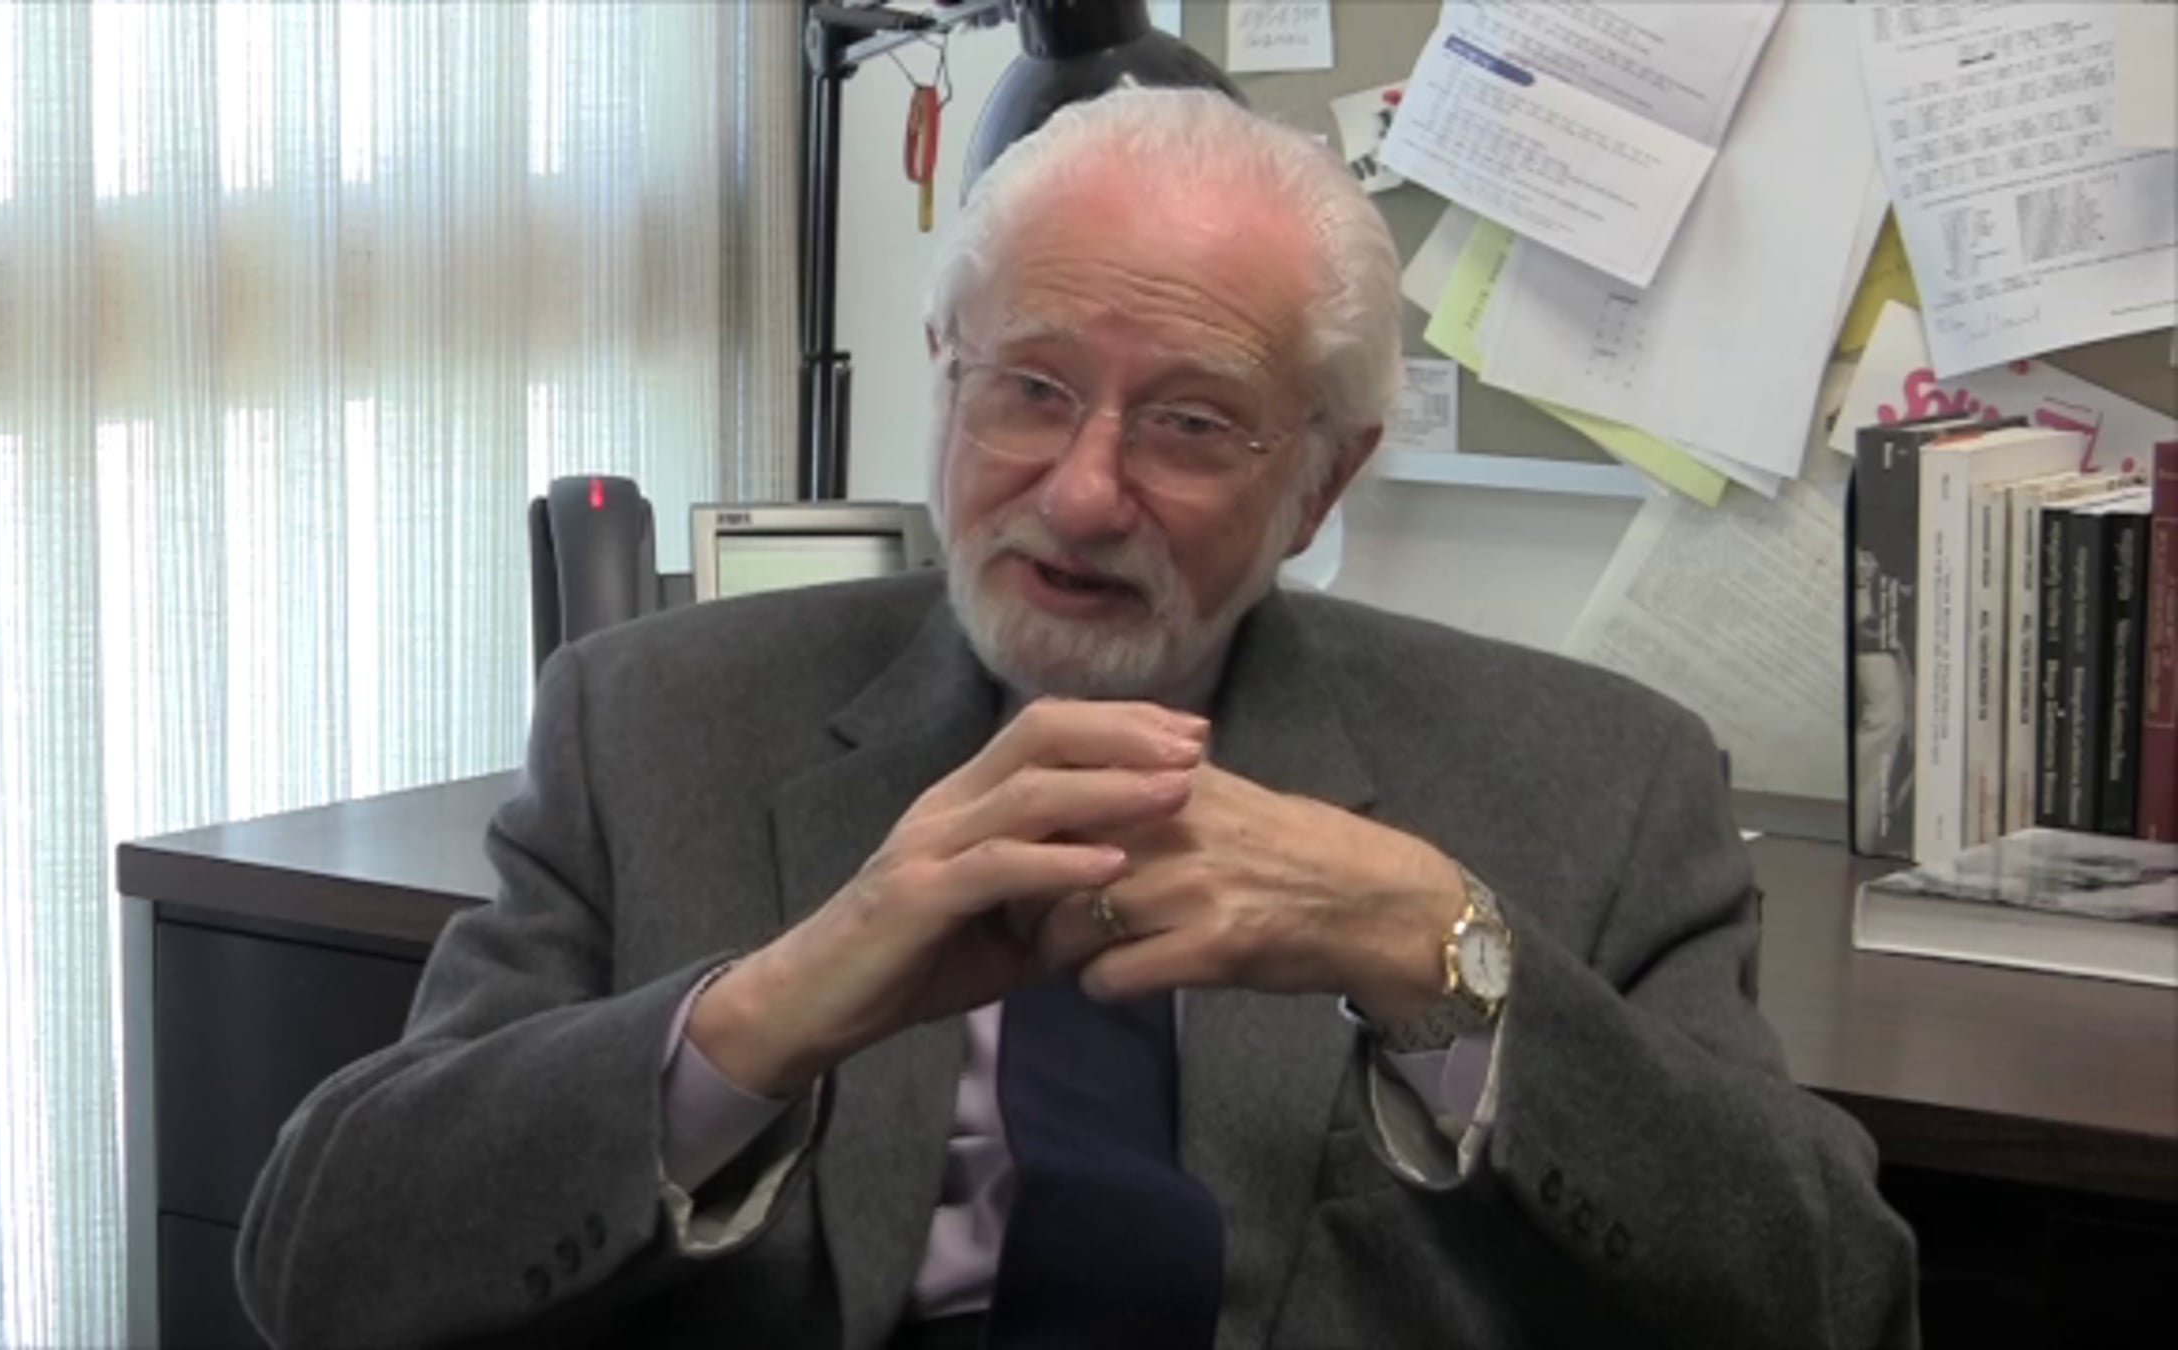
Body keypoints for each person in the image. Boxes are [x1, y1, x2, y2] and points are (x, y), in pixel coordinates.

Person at [236, 88, 1918, 1349]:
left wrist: (1442, 952)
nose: (1085, 490)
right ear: (942, 373)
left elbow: (1838, 1295)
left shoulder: (1597, 776)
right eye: (1030, 389)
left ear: (1323, 478)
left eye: (1191, 423)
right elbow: (322, 1262)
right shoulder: (654, 719)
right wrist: (759, 1017)